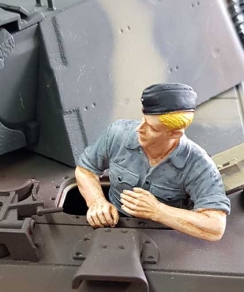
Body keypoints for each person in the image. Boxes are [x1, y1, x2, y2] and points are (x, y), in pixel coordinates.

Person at [75, 83, 231, 242]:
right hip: (115, 223)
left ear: (175, 133)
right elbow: (85, 169)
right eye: (143, 120)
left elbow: (215, 227)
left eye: (153, 128)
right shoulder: (117, 134)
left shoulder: (198, 164)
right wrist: (97, 202)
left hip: (165, 232)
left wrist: (157, 211)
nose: (140, 129)